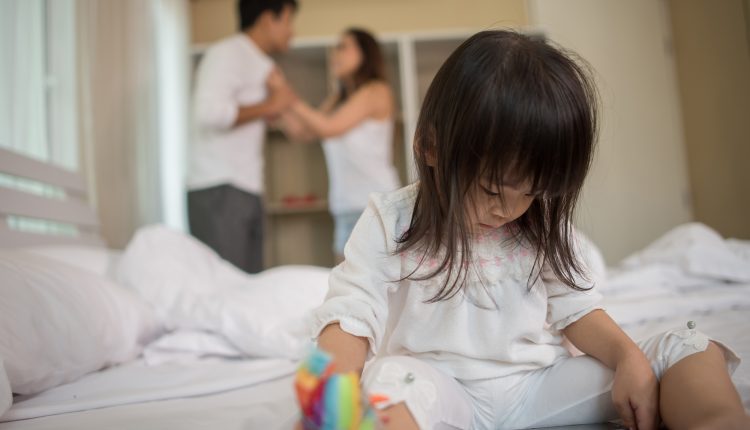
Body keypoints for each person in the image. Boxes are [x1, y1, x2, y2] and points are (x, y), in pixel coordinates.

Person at [309, 31, 748, 429]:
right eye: (492, 190)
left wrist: (627, 355)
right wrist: (325, 403)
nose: (510, 210)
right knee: (386, 383)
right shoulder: (391, 220)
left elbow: (576, 309)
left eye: (532, 193)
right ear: (430, 148)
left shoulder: (540, 224)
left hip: (537, 387)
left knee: (685, 348)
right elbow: (351, 317)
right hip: (438, 390)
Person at [187, 0, 297, 273]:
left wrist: (272, 107)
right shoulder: (227, 53)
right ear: (267, 19)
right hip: (219, 186)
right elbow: (208, 114)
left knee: (247, 292)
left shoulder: (262, 64)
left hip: (247, 189)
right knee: (226, 291)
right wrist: (270, 106)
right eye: (288, 21)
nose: (291, 31)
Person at [280, 28, 400, 263]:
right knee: (344, 291)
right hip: (345, 206)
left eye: (344, 46)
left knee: (377, 290)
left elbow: (328, 127)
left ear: (365, 54)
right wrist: (277, 103)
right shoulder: (338, 98)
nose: (336, 53)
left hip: (375, 205)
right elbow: (302, 133)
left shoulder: (376, 91)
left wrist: (289, 98)